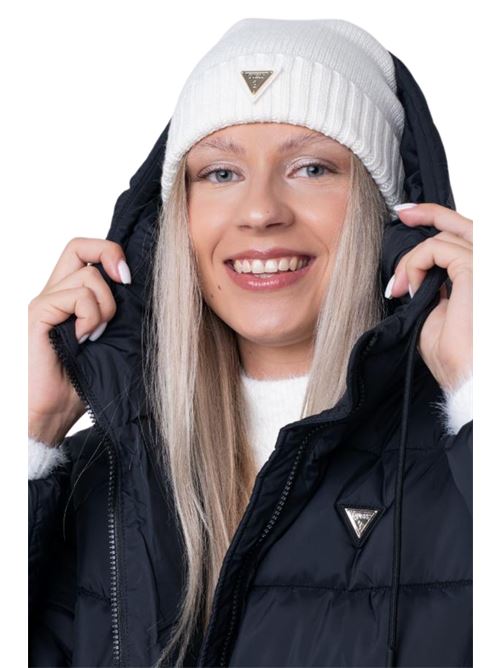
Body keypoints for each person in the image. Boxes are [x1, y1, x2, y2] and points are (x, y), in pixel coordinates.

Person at [28, 18, 472, 668]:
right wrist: (28, 435)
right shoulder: (90, 481)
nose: (261, 211)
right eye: (220, 173)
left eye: (312, 167)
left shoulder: (466, 458)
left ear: (392, 220)